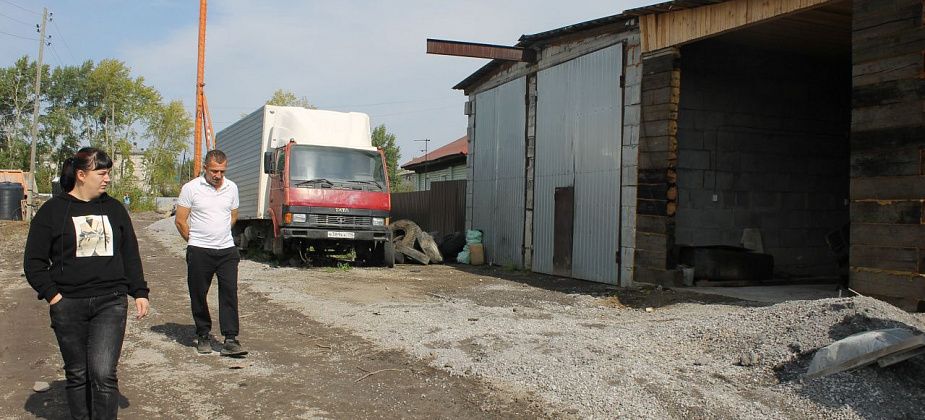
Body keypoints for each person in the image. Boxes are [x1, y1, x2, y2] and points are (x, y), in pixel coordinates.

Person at [23, 147, 150, 419]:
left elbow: (130, 253)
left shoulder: (114, 209)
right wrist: (54, 296)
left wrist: (139, 291)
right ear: (81, 175)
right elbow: (33, 262)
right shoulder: (52, 211)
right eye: (101, 173)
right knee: (78, 373)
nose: (107, 179)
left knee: (103, 373)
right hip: (68, 304)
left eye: (108, 174)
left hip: (110, 302)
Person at [174, 149, 247, 357]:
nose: (218, 175)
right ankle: (203, 334)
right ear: (205, 168)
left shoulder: (232, 188)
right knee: (198, 293)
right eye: (214, 171)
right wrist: (195, 241)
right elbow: (180, 220)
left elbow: (233, 216)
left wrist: (221, 235)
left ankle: (230, 339)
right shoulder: (191, 188)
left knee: (229, 294)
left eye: (222, 171)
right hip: (199, 251)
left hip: (226, 251)